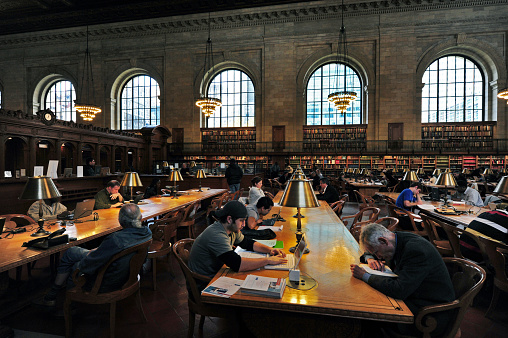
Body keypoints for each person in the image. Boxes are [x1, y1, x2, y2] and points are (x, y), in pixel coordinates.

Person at [33, 204, 152, 307]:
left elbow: (87, 265)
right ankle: (53, 294)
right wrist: (99, 250)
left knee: (74, 263)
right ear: (140, 218)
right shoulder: (147, 232)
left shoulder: (115, 239)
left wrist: (92, 255)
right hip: (125, 274)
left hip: (106, 282)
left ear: (120, 220)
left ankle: (66, 302)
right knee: (72, 251)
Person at [350, 223, 455, 336]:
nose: (378, 257)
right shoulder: (395, 239)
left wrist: (365, 276)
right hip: (413, 295)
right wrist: (370, 258)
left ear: (383, 241)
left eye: (376, 252)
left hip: (429, 312)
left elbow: (399, 290)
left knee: (369, 316)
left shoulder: (416, 250)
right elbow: (367, 253)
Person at [188, 201, 286, 291]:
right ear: (229, 219)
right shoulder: (217, 234)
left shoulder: (231, 229)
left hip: (217, 273)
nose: (244, 224)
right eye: (241, 220)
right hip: (204, 283)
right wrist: (268, 261)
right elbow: (237, 264)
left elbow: (248, 243)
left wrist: (270, 250)